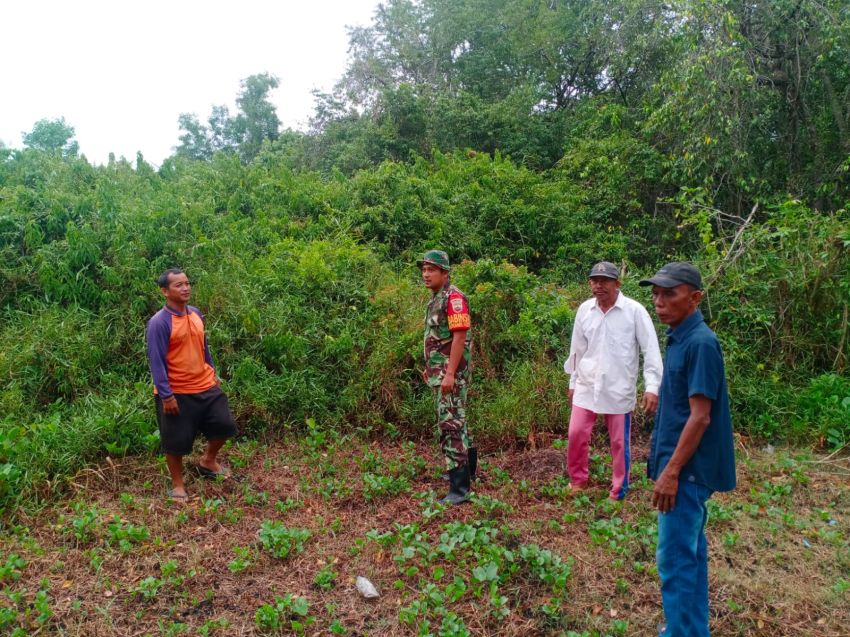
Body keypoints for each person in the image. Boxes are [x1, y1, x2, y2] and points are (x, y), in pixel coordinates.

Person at [639, 262, 736, 637]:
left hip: (687, 474)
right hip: (682, 470)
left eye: (669, 294)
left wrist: (671, 472)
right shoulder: (680, 337)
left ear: (695, 298)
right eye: (656, 294)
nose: (659, 302)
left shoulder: (700, 343)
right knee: (689, 556)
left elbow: (700, 417)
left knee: (676, 560)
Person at [563, 261, 663, 500]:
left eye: (605, 281)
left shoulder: (634, 311)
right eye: (594, 280)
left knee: (619, 442)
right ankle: (577, 480)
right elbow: (577, 350)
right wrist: (573, 382)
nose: (599, 286)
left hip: (618, 388)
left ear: (617, 284)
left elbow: (651, 350)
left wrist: (652, 387)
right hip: (587, 384)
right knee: (576, 433)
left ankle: (619, 489)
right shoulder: (585, 310)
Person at [146, 268, 238, 502]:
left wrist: (212, 369)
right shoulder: (159, 322)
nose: (186, 288)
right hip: (176, 391)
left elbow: (203, 346)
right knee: (175, 442)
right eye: (179, 285)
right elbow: (156, 361)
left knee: (224, 425)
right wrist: (166, 396)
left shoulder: (195, 313)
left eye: (187, 283)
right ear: (165, 291)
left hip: (205, 384)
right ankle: (178, 485)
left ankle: (208, 461)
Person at [418, 250, 476, 505]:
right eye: (424, 269)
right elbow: (438, 339)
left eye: (431, 269)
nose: (426, 274)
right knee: (457, 420)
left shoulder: (454, 299)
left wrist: (450, 373)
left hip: (450, 375)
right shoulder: (437, 298)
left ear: (445, 273)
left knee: (450, 424)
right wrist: (431, 368)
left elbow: (460, 337)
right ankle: (465, 471)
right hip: (441, 372)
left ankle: (459, 489)